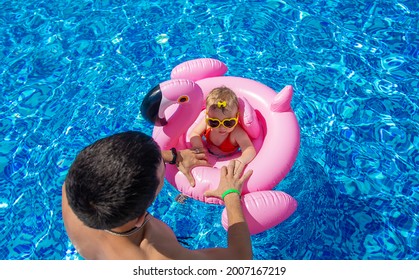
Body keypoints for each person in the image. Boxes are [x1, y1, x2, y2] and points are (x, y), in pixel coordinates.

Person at [62, 131, 253, 259]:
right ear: (139, 218)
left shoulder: (74, 188)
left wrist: (174, 156)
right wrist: (230, 193)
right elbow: (240, 258)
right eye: (162, 175)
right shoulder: (158, 255)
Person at [189, 86, 256, 174]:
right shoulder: (206, 123)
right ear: (207, 116)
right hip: (207, 152)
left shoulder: (237, 133)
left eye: (228, 123)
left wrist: (241, 161)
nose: (222, 127)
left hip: (228, 157)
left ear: (237, 117)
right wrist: (199, 148)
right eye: (214, 122)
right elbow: (194, 133)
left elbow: (250, 150)